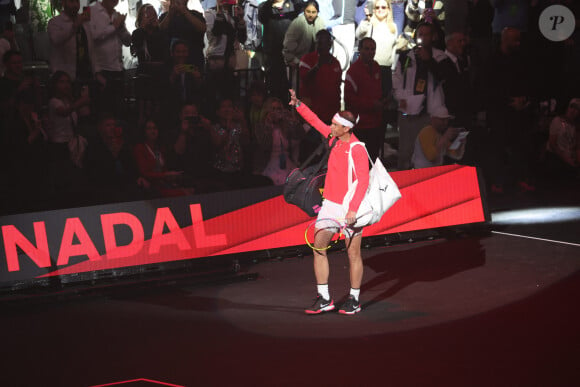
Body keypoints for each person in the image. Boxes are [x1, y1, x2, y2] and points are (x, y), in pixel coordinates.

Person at [289, 88, 370, 315]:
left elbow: (363, 181)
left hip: (350, 208)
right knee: (318, 245)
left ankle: (354, 299)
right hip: (330, 205)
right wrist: (298, 105)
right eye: (332, 124)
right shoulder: (333, 139)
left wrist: (353, 210)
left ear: (346, 128)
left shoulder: (358, 149)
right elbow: (315, 122)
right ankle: (324, 298)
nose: (330, 127)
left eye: (335, 125)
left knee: (353, 254)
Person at [392, 22, 446, 170]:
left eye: (426, 34)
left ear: (433, 37)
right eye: (420, 34)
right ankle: (403, 188)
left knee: (427, 156)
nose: (422, 37)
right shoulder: (405, 57)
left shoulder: (440, 57)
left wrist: (428, 60)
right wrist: (401, 98)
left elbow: (443, 78)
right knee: (405, 154)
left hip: (429, 114)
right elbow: (396, 81)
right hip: (407, 113)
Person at [345, 37, 386, 162]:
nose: (370, 52)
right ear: (360, 50)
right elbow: (349, 99)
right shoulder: (353, 71)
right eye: (367, 49)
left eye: (373, 49)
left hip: (376, 123)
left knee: (373, 159)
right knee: (360, 161)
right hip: (361, 126)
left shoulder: (376, 67)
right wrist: (371, 105)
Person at [88, 0, 132, 115]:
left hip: (118, 69)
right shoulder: (92, 11)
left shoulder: (116, 14)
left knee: (118, 112)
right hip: (102, 71)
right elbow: (92, 36)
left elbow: (127, 41)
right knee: (103, 111)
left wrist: (121, 28)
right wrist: (114, 26)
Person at [355, 0, 398, 99]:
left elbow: (394, 50)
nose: (380, 10)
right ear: (374, 10)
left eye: (383, 7)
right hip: (369, 69)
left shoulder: (393, 27)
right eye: (377, 7)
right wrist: (367, 19)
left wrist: (393, 69)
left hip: (386, 71)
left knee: (383, 102)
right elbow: (358, 35)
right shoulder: (368, 23)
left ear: (388, 9)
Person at [282, 0, 325, 90]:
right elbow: (287, 45)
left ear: (318, 12)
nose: (310, 15)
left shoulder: (320, 22)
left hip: (313, 63)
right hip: (296, 62)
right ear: (304, 11)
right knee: (298, 90)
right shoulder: (298, 23)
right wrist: (292, 60)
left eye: (313, 12)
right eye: (308, 11)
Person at [47, 0, 92, 83]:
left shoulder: (84, 22)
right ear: (64, 3)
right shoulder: (55, 22)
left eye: (77, 2)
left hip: (86, 74)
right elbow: (56, 39)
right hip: (64, 77)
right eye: (71, 1)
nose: (75, 5)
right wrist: (74, 26)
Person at [159, 0, 206, 71]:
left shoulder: (196, 14)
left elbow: (202, 28)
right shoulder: (164, 16)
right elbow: (160, 32)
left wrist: (184, 11)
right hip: (171, 63)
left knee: (192, 79)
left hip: (193, 61)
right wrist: (170, 14)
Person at [545, 98, 580, 178]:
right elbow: (553, 144)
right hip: (556, 158)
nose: (573, 111)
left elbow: (577, 147)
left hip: (569, 159)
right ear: (567, 107)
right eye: (572, 107)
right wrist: (566, 159)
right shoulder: (557, 121)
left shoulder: (576, 127)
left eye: (577, 109)